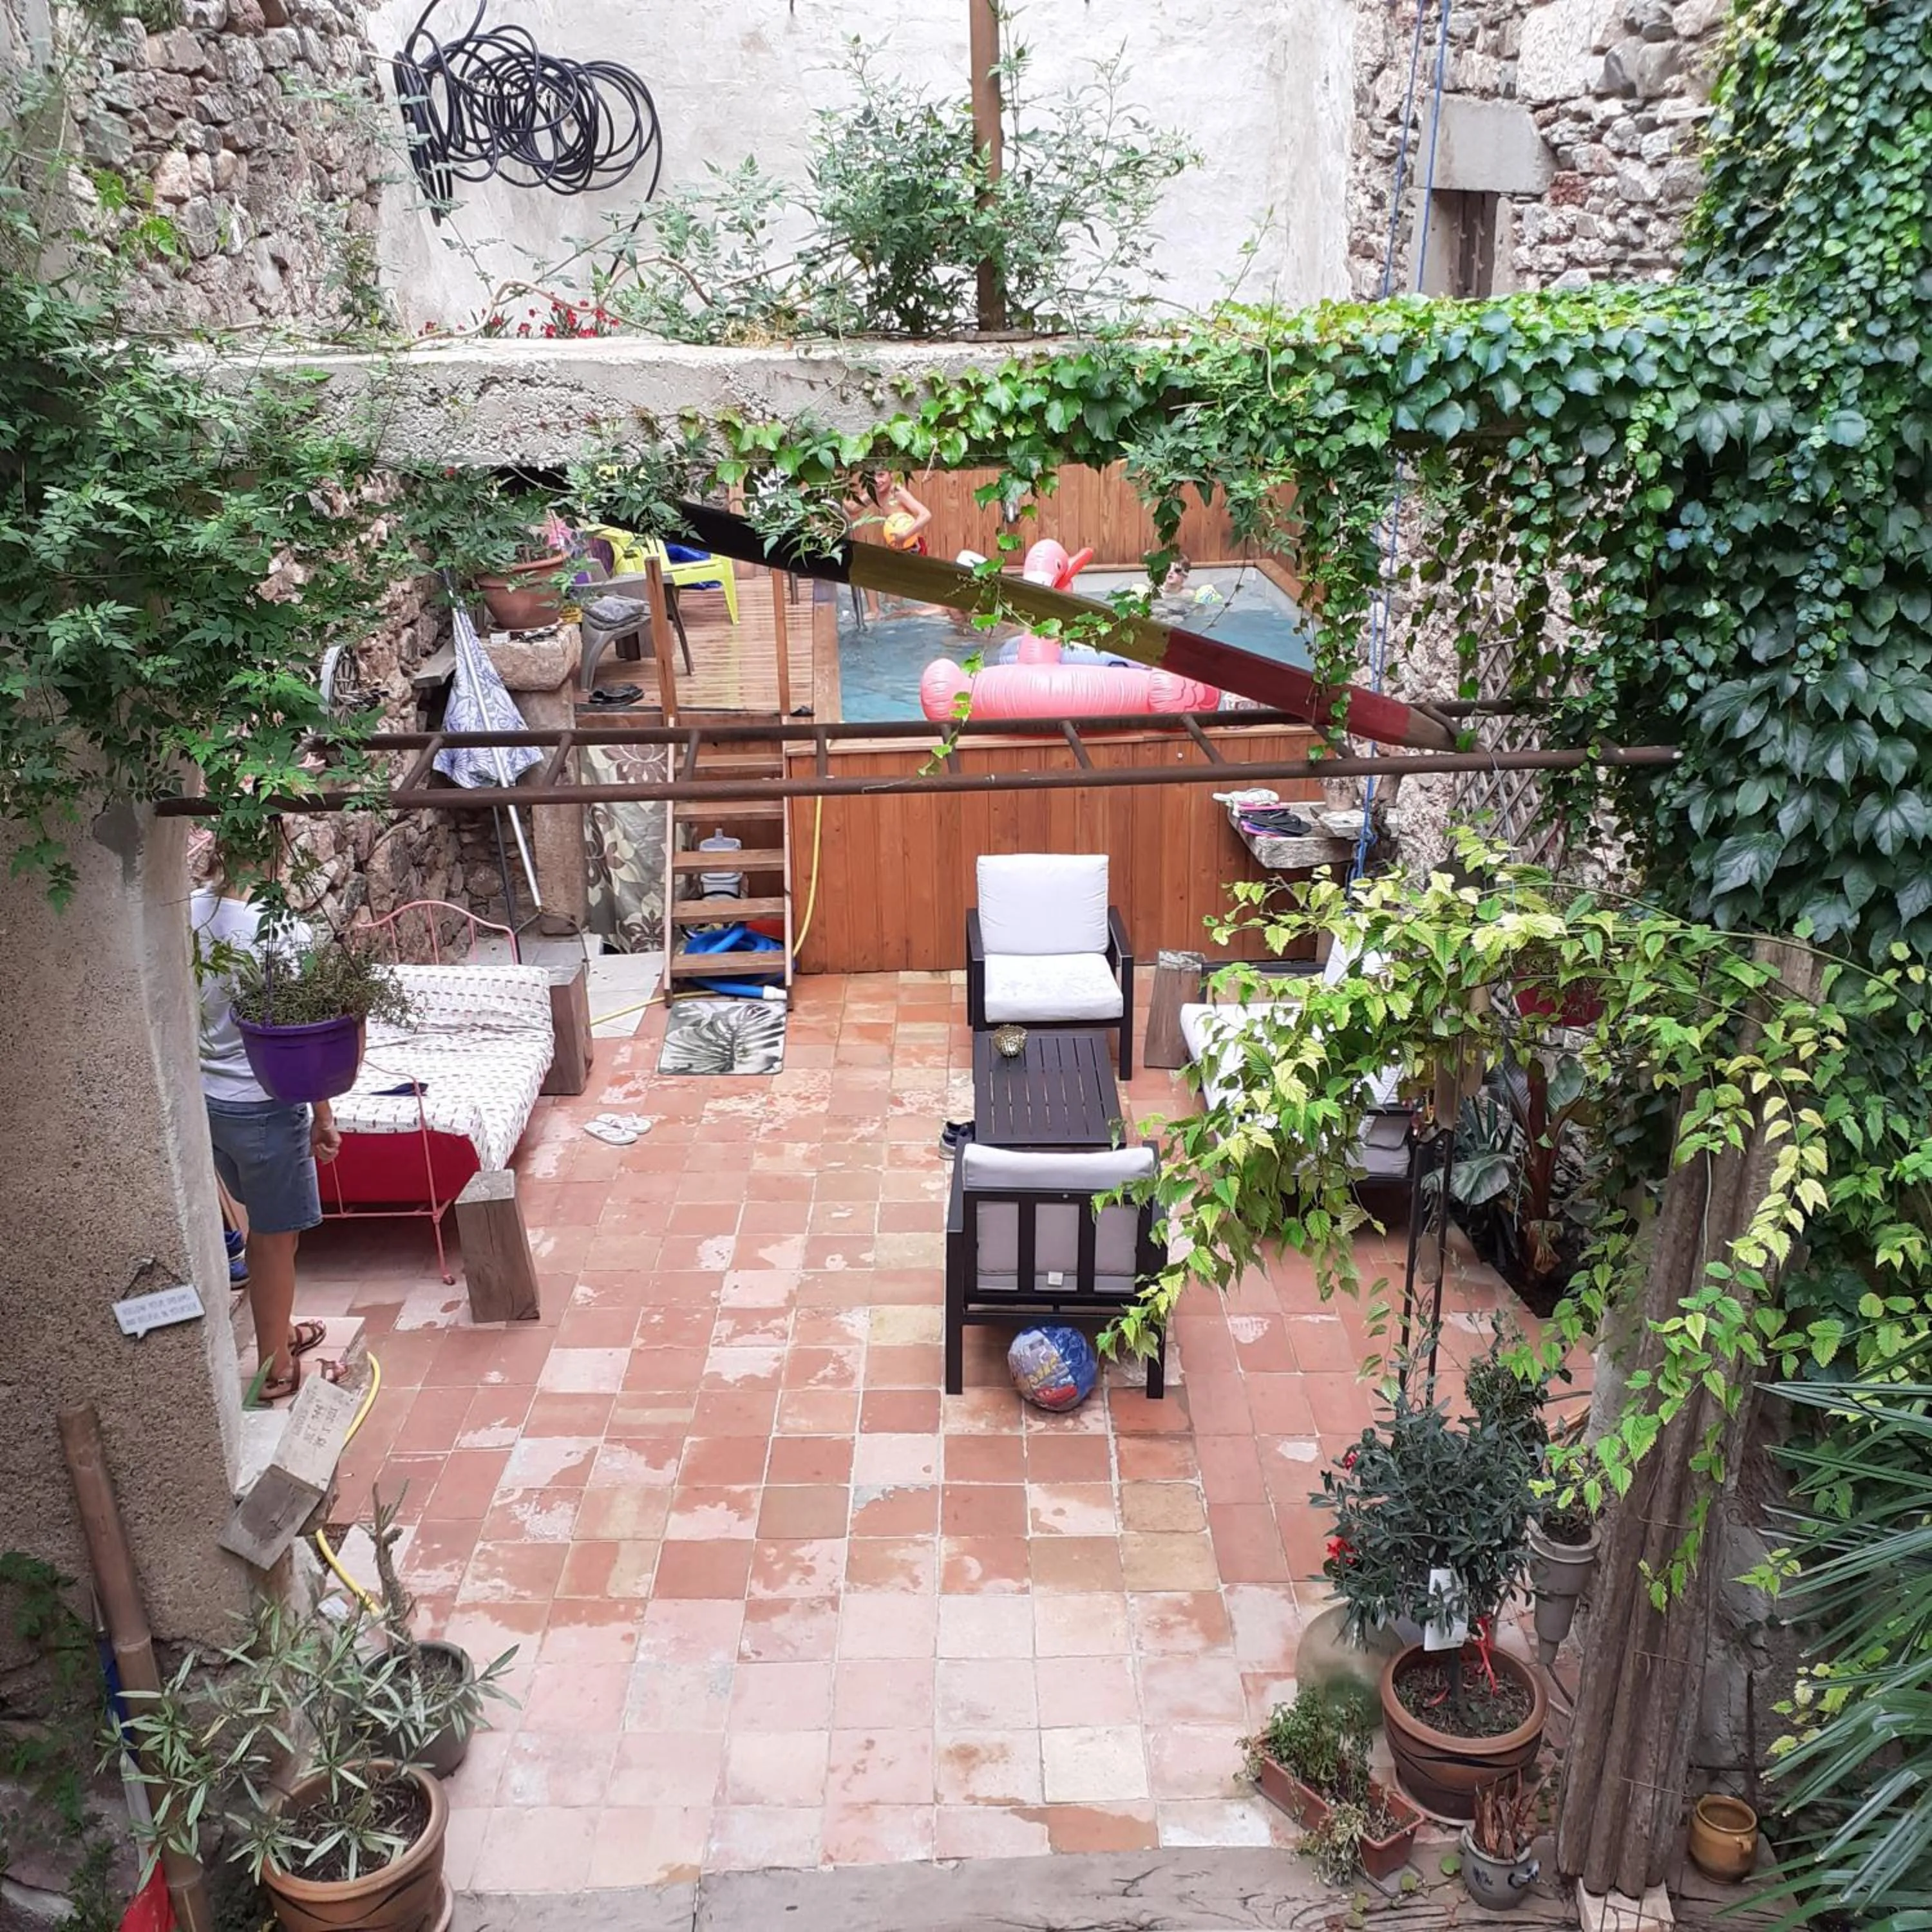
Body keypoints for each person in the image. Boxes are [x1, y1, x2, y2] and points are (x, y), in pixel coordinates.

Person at [190, 839, 341, 1403]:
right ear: (277, 853)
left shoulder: (185, 913)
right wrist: (323, 1117)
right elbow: (306, 1041)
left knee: (260, 1231)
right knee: (277, 1242)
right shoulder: (284, 932)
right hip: (264, 1106)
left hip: (207, 1102)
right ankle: (277, 1365)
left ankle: (278, 1332)